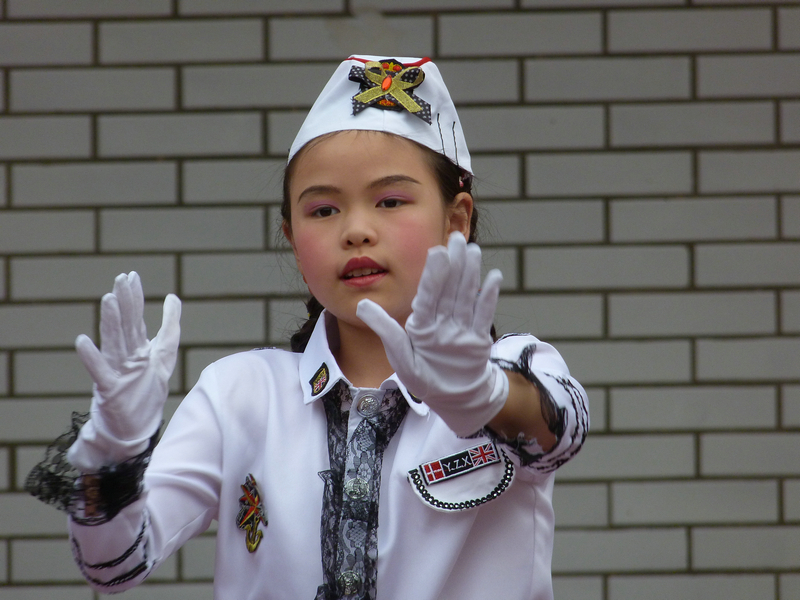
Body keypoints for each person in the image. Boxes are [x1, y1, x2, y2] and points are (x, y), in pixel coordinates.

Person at [27, 55, 589, 600]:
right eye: (323, 210)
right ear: (294, 242)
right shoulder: (240, 394)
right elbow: (113, 566)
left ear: (456, 220)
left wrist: (485, 397)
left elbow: (558, 427)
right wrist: (114, 453)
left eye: (390, 200)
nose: (357, 230)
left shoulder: (517, 369)